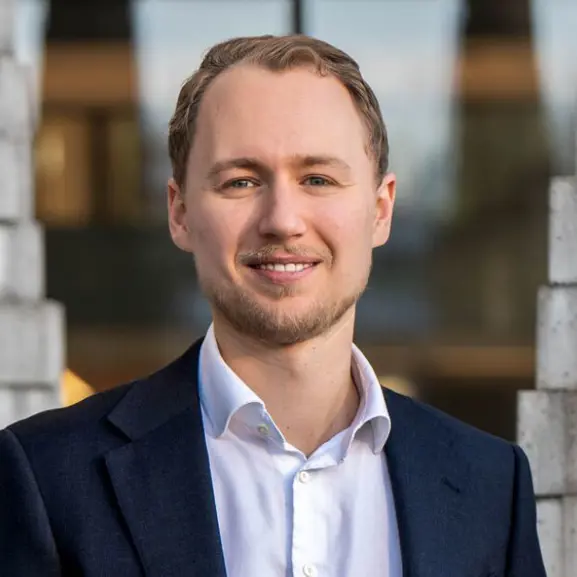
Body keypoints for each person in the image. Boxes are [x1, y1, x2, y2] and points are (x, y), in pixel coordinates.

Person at [0, 35, 546, 577]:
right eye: (241, 181)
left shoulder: (491, 487)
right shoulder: (48, 478)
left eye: (318, 179)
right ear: (180, 213)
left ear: (381, 210)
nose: (283, 220)